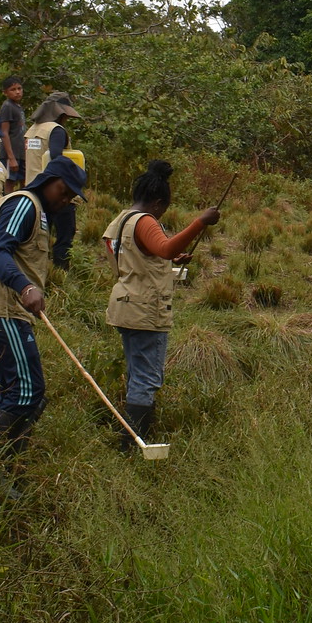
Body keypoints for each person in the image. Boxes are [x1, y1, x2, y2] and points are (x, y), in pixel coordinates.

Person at [0, 155, 86, 461]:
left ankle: (6, 466)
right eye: (63, 191)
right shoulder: (24, 204)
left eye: (71, 197)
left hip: (10, 311)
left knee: (25, 391)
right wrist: (25, 287)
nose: (66, 199)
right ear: (48, 180)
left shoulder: (40, 212)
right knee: (25, 391)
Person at [101, 160, 219, 447]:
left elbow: (140, 255)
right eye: (163, 209)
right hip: (146, 311)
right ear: (157, 203)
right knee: (146, 378)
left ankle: (131, 436)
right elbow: (164, 247)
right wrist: (200, 222)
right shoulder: (145, 221)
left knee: (136, 373)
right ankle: (134, 443)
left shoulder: (120, 220)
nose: (161, 214)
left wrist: (169, 259)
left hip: (124, 304)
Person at [25, 93, 84, 267]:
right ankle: (60, 272)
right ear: (61, 113)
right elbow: (56, 157)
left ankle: (39, 269)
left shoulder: (32, 130)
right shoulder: (56, 130)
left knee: (39, 236)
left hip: (34, 190)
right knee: (64, 236)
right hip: (57, 191)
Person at [0, 76, 28, 185]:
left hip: (20, 154)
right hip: (10, 155)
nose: (17, 92)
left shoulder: (17, 107)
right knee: (9, 183)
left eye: (19, 88)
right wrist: (11, 158)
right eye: (13, 89)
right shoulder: (7, 106)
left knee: (25, 182)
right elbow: (4, 132)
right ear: (5, 92)